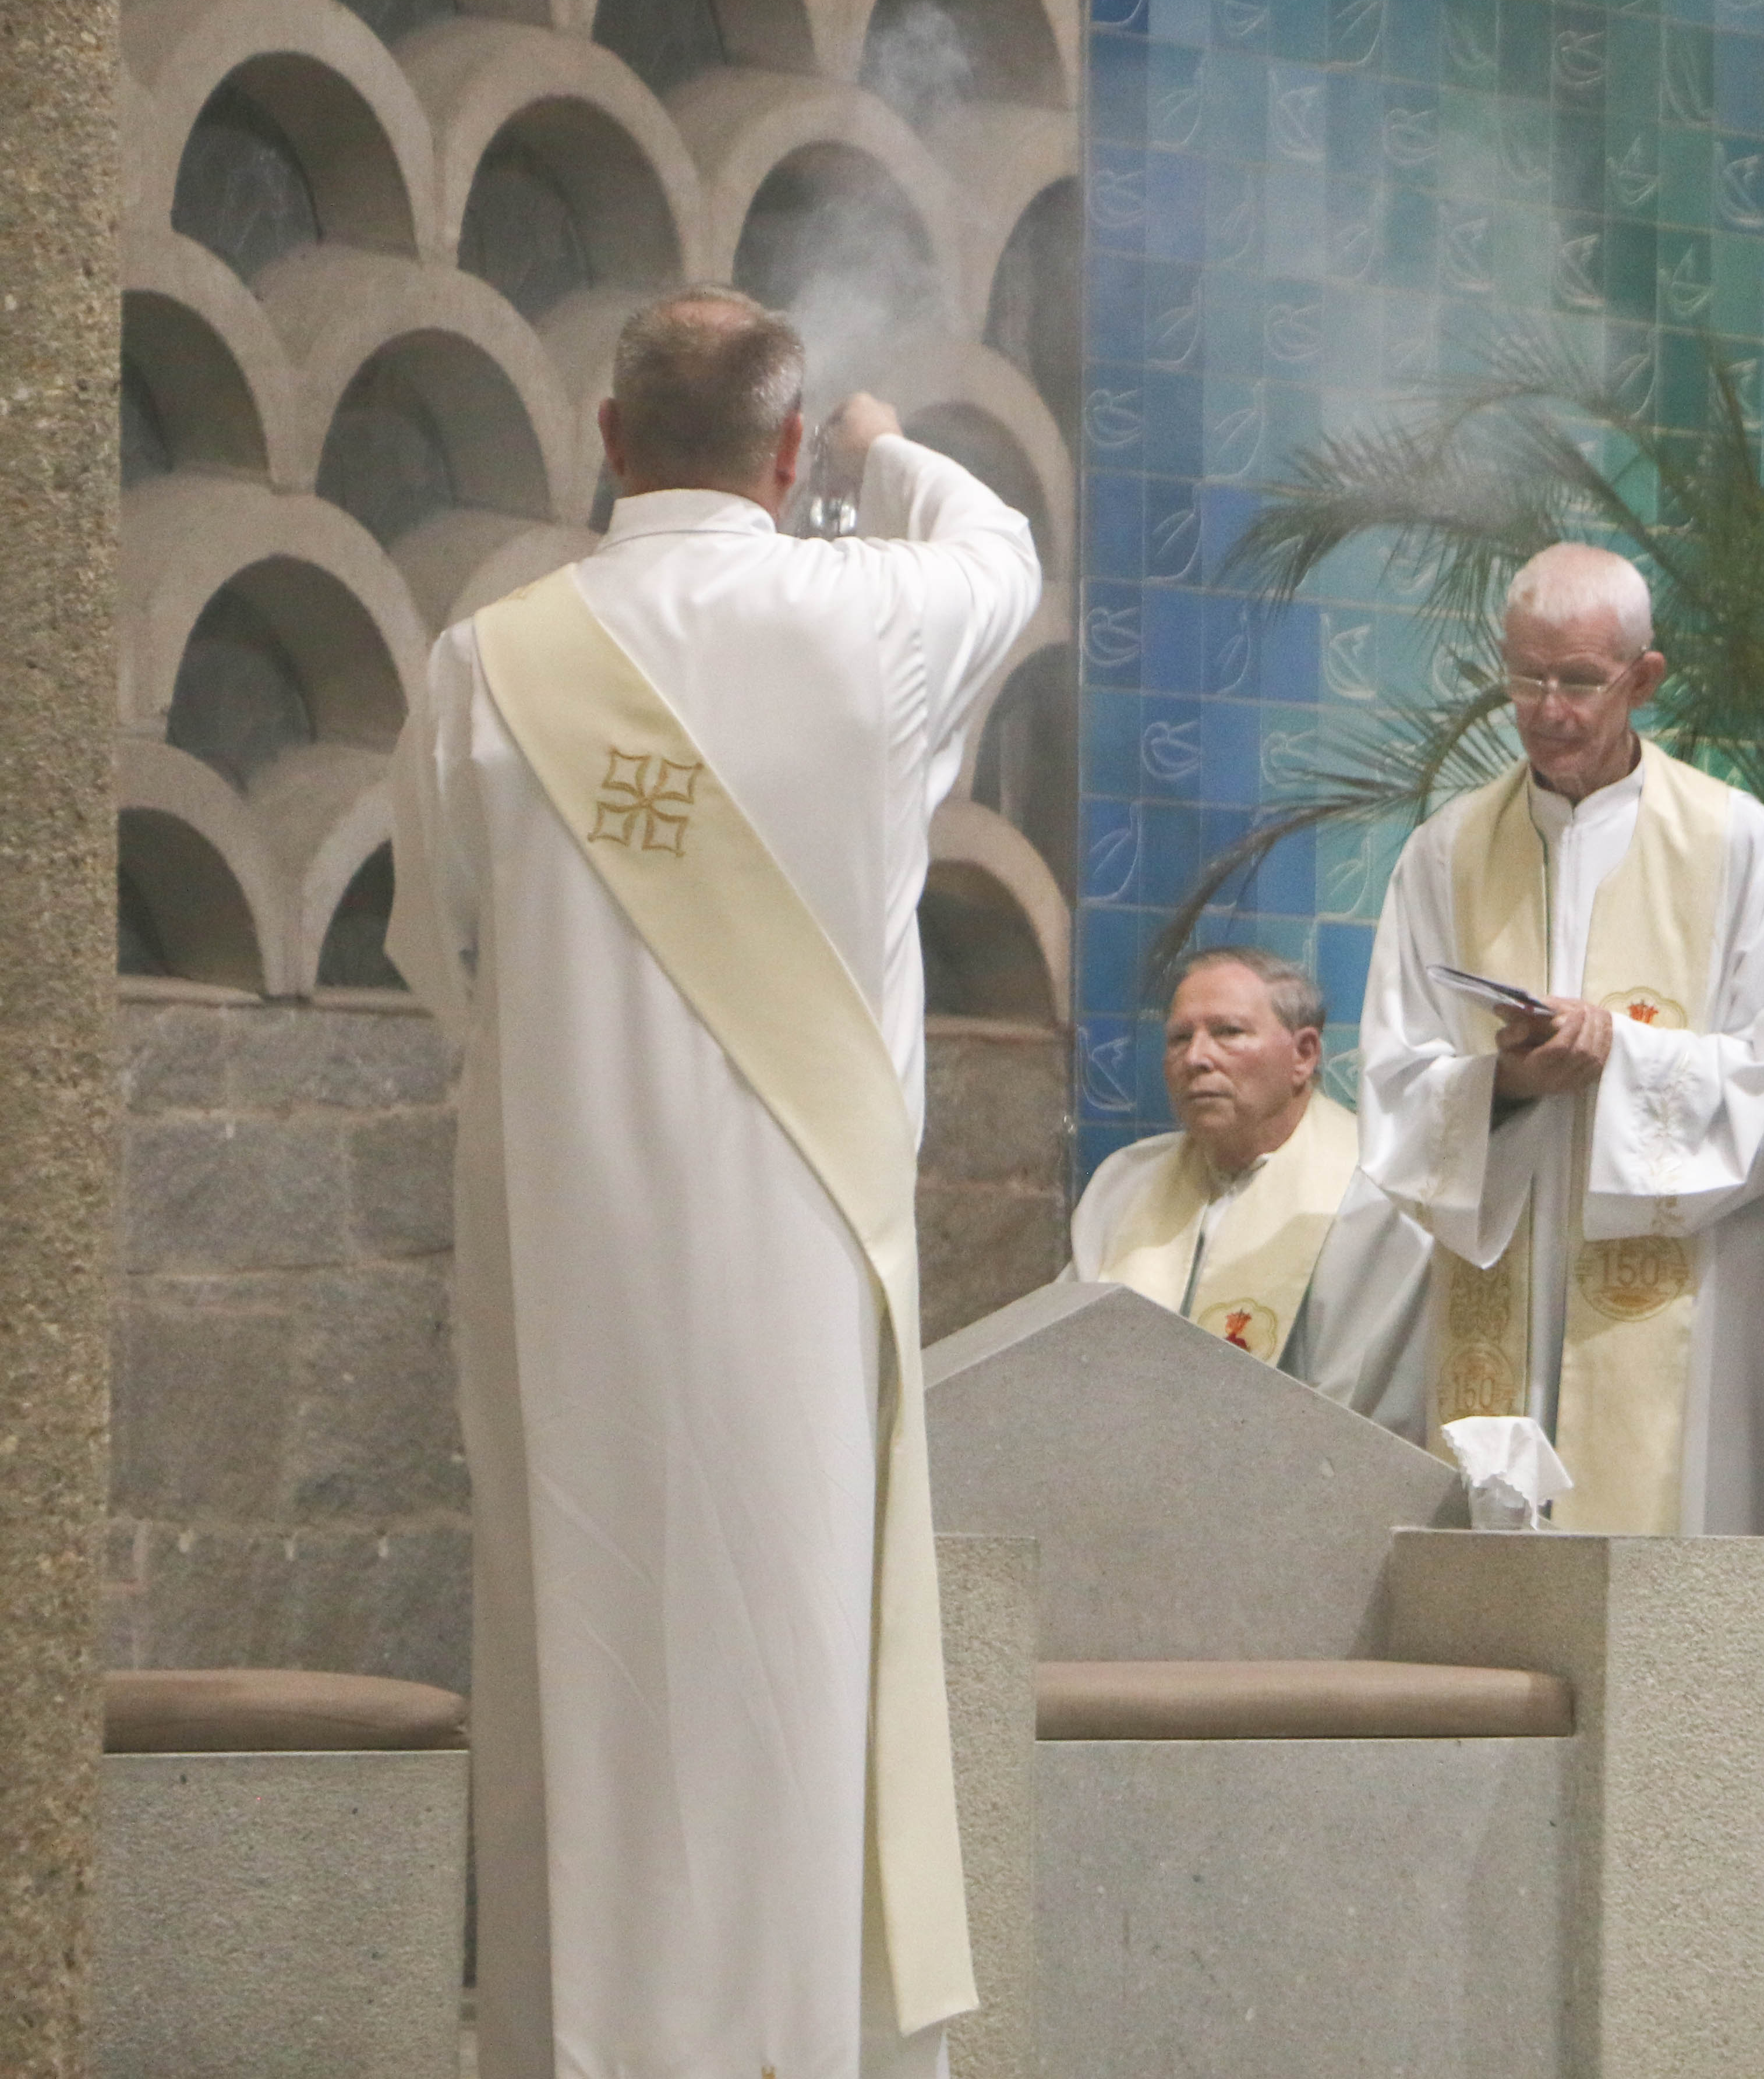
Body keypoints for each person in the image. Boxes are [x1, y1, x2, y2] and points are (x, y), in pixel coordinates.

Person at [388, 284, 1041, 2079]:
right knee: (793, 1654)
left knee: (583, 1669)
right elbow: (1003, 546)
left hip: (569, 1256)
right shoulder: (880, 617)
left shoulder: (489, 663)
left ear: (606, 440)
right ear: (785, 445)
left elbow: (442, 952)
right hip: (796, 1263)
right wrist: (887, 453)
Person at [1355, 539, 1764, 1927]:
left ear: (1645, 677)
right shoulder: (1446, 851)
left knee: (1676, 1590)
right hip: (1504, 1313)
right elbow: (1392, 1078)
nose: (1548, 710)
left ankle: (1688, 1921)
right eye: (1524, 679)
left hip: (1683, 1317)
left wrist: (1621, 1057)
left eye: (1578, 681)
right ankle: (1503, 1915)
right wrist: (1507, 1082)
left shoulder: (1733, 842)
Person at [1066, 945, 1431, 1440]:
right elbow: (1068, 1357)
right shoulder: (1124, 1184)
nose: (1196, 1058)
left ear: (1304, 1054)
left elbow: (1364, 1404)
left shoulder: (1377, 1195)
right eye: (1179, 1038)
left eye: (1228, 1032)